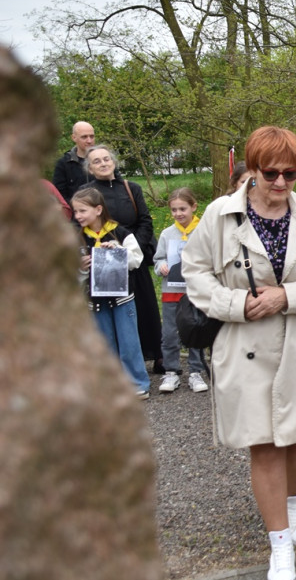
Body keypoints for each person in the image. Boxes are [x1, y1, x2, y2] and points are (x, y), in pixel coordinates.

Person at [182, 126, 296, 580]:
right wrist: (235, 306)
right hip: (245, 341)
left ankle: (295, 497)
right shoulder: (220, 215)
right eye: (269, 173)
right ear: (251, 169)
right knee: (264, 440)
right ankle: (278, 542)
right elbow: (194, 274)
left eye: (289, 173)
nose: (279, 183)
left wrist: (287, 297)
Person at [79, 145, 164, 371]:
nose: (104, 163)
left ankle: (156, 354)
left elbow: (145, 221)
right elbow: (80, 222)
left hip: (132, 255)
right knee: (113, 315)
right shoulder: (87, 192)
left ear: (114, 162)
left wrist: (131, 247)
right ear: (90, 167)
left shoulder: (131, 188)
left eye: (106, 159)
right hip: (103, 262)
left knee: (145, 309)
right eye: (97, 161)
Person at [71, 188, 150, 399]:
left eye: (82, 210)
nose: (77, 216)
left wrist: (117, 252)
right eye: (75, 211)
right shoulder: (77, 239)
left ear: (98, 209)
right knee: (104, 343)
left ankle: (137, 383)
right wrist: (80, 267)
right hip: (95, 301)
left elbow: (137, 260)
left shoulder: (121, 233)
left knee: (129, 341)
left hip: (122, 298)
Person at [154, 187, 209, 394]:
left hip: (194, 293)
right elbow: (158, 259)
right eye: (174, 210)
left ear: (193, 207)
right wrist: (162, 267)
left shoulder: (203, 231)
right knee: (169, 334)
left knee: (194, 331)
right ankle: (172, 371)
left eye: (183, 209)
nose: (178, 213)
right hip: (171, 293)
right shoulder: (167, 234)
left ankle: (195, 371)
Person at [52, 121, 96, 201]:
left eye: (92, 136)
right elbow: (60, 196)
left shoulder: (104, 160)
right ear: (74, 138)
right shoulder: (63, 164)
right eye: (84, 137)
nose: (89, 141)